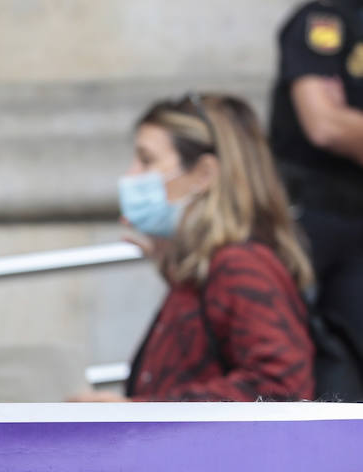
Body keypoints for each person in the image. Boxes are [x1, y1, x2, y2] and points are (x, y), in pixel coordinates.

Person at [74, 94, 316, 403]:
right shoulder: (203, 269)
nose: (131, 176)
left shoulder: (240, 265)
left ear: (203, 174)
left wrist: (134, 411)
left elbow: (282, 390)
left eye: (146, 160)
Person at [269, 1, 363, 398]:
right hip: (312, 219)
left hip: (355, 225)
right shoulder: (326, 17)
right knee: (296, 361)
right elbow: (324, 124)